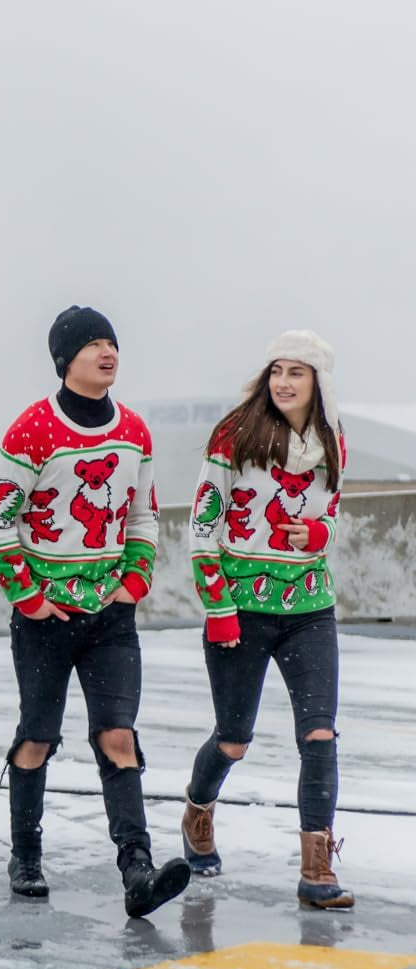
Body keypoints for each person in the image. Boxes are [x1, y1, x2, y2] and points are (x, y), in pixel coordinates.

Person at [0, 305, 190, 919]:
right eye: (93, 344)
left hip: (110, 619)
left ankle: (137, 870)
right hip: (45, 620)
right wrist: (28, 596)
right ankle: (25, 855)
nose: (108, 353)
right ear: (65, 360)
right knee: (38, 738)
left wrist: (136, 578)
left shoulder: (135, 431)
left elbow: (145, 513)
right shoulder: (32, 430)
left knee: (117, 736)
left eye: (112, 343)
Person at [183, 329, 352, 909]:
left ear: (318, 383)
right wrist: (219, 606)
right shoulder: (235, 434)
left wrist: (322, 531)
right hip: (242, 610)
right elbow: (203, 527)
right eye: (277, 370)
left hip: (310, 606)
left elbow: (331, 510)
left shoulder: (334, 440)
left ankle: (317, 867)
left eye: (296, 372)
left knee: (320, 734)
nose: (283, 382)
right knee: (233, 740)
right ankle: (198, 811)